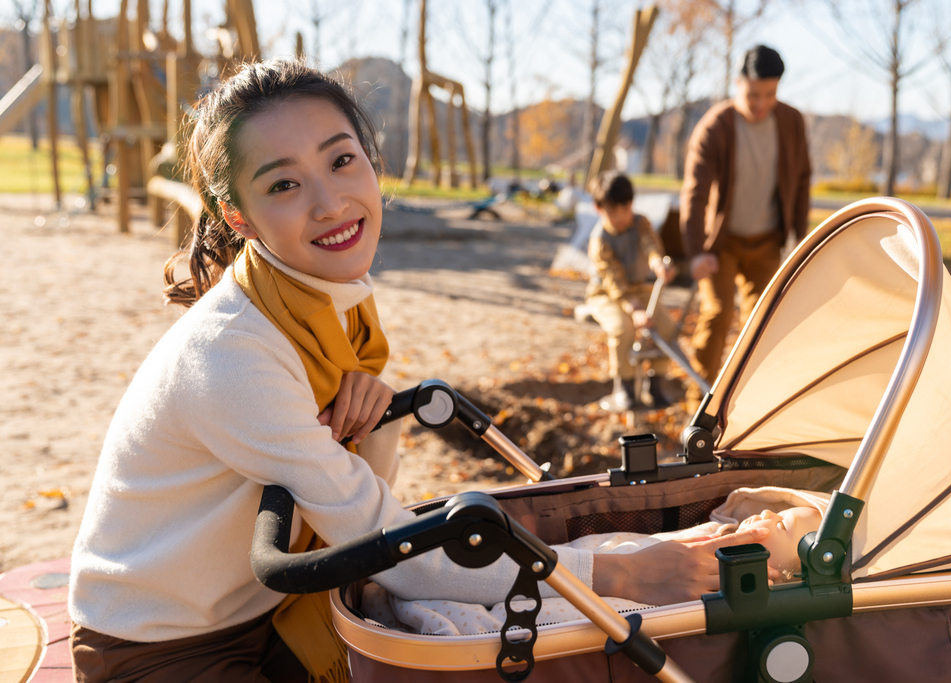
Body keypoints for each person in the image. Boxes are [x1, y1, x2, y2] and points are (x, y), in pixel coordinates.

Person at [67, 59, 774, 682]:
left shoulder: (323, 305)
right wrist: (622, 571)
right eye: (283, 184)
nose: (330, 202)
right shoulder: (234, 354)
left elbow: (362, 500)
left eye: (341, 161)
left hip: (268, 607)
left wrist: (372, 418)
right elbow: (382, 540)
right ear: (238, 215)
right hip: (160, 646)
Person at [361, 487, 826, 636]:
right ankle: (431, 589)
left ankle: (445, 615)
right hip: (622, 562)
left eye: (782, 526)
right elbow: (652, 541)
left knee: (552, 615)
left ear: (784, 576)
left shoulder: (757, 587)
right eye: (777, 509)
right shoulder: (716, 533)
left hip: (636, 605)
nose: (767, 515)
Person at [680, 45, 811, 412]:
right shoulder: (716, 127)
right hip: (721, 245)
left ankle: (752, 408)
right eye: (754, 95)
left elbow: (801, 181)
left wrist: (800, 242)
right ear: (738, 83)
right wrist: (697, 252)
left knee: (764, 325)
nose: (761, 104)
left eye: (771, 94)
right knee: (718, 314)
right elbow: (695, 193)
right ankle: (698, 405)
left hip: (767, 242)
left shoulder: (791, 121)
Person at [585, 171, 678, 412]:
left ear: (632, 205)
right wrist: (634, 309)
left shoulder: (640, 223)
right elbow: (614, 281)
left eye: (624, 210)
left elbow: (650, 245)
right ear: (598, 209)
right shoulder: (600, 240)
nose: (620, 217)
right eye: (612, 212)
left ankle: (655, 384)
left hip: (639, 289)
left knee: (665, 326)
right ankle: (624, 387)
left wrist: (658, 262)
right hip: (606, 294)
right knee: (622, 328)